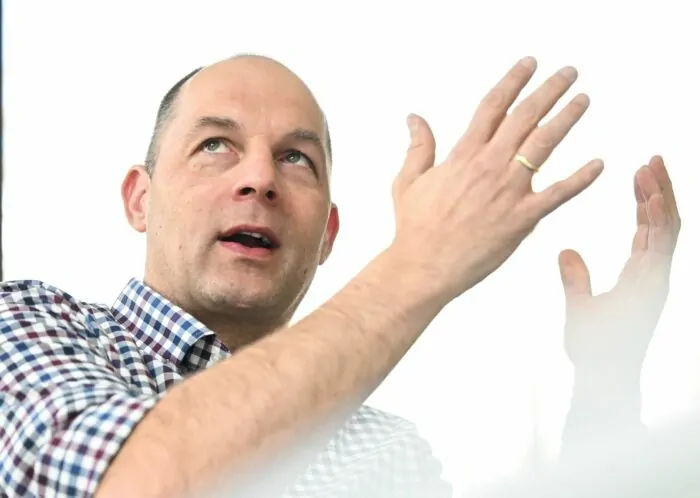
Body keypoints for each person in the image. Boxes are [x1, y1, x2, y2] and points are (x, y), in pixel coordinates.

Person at [0, 54, 680, 497]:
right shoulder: (25, 322)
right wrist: (420, 263)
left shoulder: (386, 450)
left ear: (326, 235)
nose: (260, 178)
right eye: (215, 145)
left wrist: (607, 385)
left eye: (296, 158)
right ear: (139, 200)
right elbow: (124, 484)